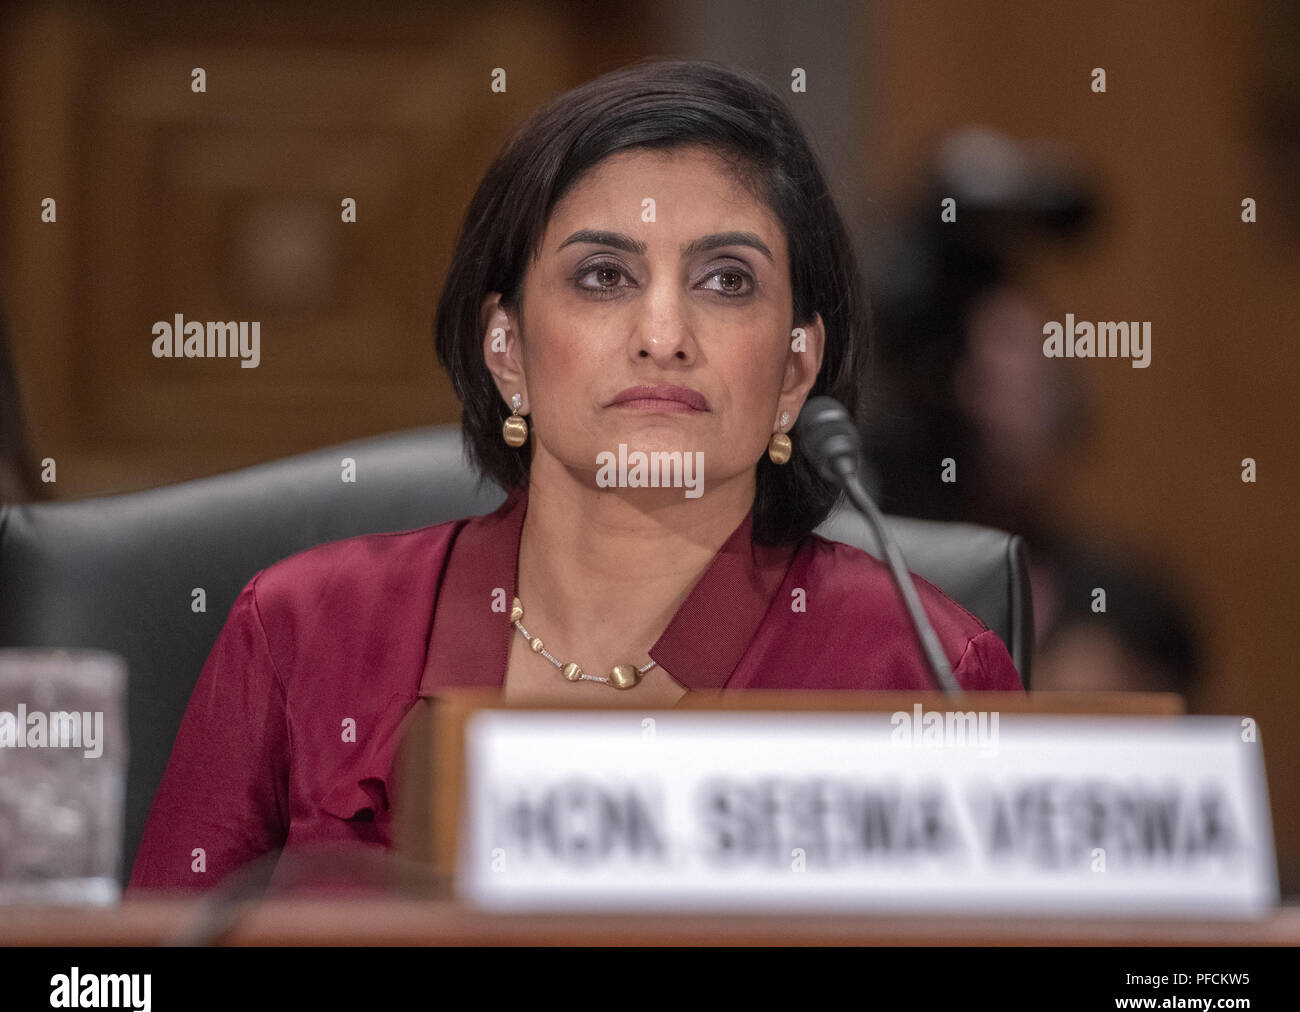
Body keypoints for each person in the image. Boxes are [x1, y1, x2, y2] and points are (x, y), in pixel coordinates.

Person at [127, 57, 1023, 894]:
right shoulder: (300, 633)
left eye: (725, 280)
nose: (664, 332)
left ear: (795, 369)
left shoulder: (923, 670)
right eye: (603, 275)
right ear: (506, 349)